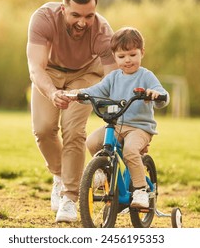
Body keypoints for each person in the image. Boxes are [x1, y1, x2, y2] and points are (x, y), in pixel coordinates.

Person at [26, 0, 117, 222]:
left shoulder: (102, 31)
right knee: (43, 130)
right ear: (63, 7)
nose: (83, 22)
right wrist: (52, 92)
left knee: (74, 130)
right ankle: (61, 176)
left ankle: (69, 198)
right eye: (76, 15)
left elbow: (113, 77)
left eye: (89, 15)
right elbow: (36, 68)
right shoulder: (44, 18)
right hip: (49, 73)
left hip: (86, 75)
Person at [67, 27, 170, 208]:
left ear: (141, 53)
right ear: (114, 56)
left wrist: (155, 94)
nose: (127, 60)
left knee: (130, 151)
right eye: (121, 56)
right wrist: (79, 94)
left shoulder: (146, 76)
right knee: (92, 142)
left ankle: (140, 190)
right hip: (116, 126)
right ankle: (104, 173)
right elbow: (96, 91)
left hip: (139, 128)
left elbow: (162, 95)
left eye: (132, 55)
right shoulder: (113, 77)